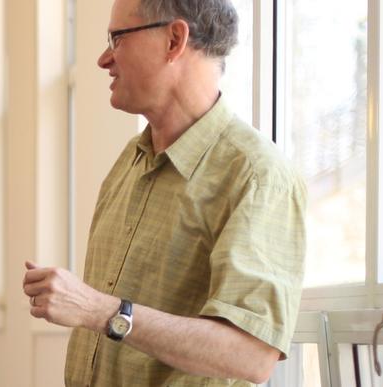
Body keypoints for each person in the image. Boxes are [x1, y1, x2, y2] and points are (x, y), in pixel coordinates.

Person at [20, 0, 306, 385]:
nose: (104, 59)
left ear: (174, 39)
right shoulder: (129, 162)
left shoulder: (257, 176)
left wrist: (100, 310)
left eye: (117, 39)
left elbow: (250, 354)